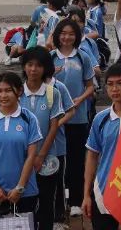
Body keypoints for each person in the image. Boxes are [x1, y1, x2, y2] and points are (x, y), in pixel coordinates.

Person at [0, 72, 43, 221]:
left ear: (19, 91)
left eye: (8, 90)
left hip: (25, 190)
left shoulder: (29, 119)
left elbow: (31, 156)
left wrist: (20, 187)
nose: (3, 95)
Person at [19, 47, 70, 230]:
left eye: (38, 65)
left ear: (45, 68)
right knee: (25, 203)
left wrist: (40, 156)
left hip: (47, 158)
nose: (33, 69)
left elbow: (53, 127)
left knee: (47, 201)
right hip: (21, 159)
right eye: (29, 65)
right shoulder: (16, 94)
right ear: (24, 66)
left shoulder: (52, 93)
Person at [50, 18, 96, 218]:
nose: (67, 37)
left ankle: (76, 200)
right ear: (57, 35)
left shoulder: (83, 57)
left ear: (76, 36)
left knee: (77, 159)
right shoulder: (51, 58)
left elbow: (91, 85)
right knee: (57, 158)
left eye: (71, 34)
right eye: (63, 33)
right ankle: (59, 199)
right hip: (55, 119)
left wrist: (79, 100)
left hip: (78, 118)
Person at [81, 63, 121, 230]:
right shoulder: (101, 119)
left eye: (120, 83)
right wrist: (86, 194)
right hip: (104, 190)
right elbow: (92, 155)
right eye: (110, 84)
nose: (114, 89)